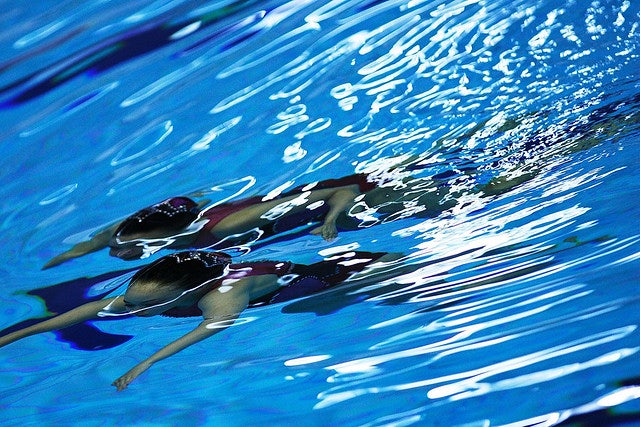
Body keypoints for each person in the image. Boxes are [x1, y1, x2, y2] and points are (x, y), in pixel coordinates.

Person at [2, 250, 401, 390]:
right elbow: (54, 322)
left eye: (148, 306)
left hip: (353, 273)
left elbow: (206, 330)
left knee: (415, 299)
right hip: (301, 291)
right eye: (133, 302)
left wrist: (145, 362)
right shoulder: (142, 294)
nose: (134, 311)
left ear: (190, 293)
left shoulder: (223, 297)